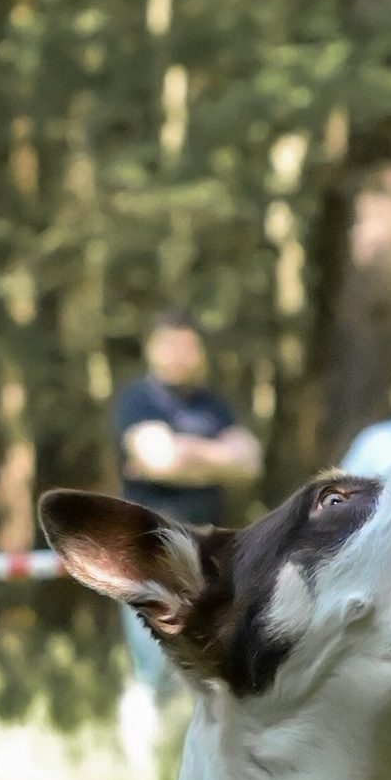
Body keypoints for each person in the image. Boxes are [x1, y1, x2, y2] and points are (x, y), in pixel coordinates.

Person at [107, 313, 261, 757]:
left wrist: (184, 454)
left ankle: (193, 759)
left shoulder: (215, 404)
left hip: (207, 550)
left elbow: (248, 463)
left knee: (211, 658)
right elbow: (157, 459)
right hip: (145, 550)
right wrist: (214, 458)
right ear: (153, 349)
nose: (179, 354)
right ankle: (144, 767)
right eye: (169, 344)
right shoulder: (138, 400)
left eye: (187, 344)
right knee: (155, 661)